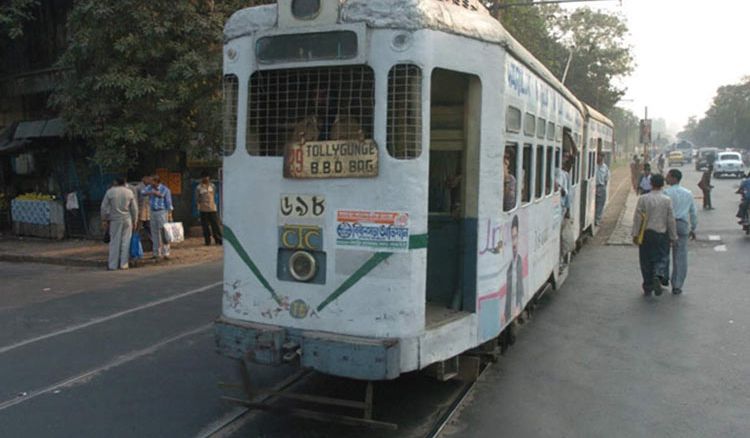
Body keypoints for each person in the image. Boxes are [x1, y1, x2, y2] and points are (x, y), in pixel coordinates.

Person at [632, 174, 677, 296]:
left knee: (645, 260)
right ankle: (658, 274)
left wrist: (635, 234)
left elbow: (637, 218)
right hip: (661, 234)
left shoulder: (643, 199)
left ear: (651, 184)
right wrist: (673, 237)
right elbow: (670, 220)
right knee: (661, 257)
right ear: (663, 184)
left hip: (646, 234)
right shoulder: (667, 200)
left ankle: (648, 285)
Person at [664, 169, 698, 295]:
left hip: (668, 224)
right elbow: (693, 212)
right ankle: (677, 284)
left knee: (664, 252)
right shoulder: (688, 193)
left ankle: (663, 277)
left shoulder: (666, 193)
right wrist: (693, 228)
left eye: (668, 176)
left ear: (674, 178)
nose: (666, 178)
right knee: (680, 256)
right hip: (682, 225)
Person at [100, 177, 138, 270]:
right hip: (127, 219)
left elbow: (103, 207)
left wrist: (104, 219)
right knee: (126, 241)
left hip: (115, 220)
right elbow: (134, 208)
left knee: (114, 242)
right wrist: (135, 220)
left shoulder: (110, 192)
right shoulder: (129, 192)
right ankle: (124, 264)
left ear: (115, 182)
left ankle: (113, 265)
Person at [142, 175, 173, 260]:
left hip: (162, 212)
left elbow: (168, 202)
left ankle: (166, 253)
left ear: (156, 182)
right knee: (154, 232)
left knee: (164, 232)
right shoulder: (149, 188)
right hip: (152, 211)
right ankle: (156, 253)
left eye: (152, 181)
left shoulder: (165, 189)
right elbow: (143, 192)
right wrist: (152, 192)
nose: (150, 183)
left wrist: (170, 215)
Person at [504, 215, 524, 324]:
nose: (514, 243)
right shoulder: (509, 266)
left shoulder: (519, 261)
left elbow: (520, 291)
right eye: (512, 237)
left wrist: (518, 307)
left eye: (515, 237)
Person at [196, 171, 222, 246]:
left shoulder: (212, 186)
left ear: (209, 177)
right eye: (204, 177)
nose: (206, 178)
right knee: (205, 226)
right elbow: (197, 199)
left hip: (212, 208)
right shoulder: (199, 187)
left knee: (215, 225)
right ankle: (207, 241)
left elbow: (214, 194)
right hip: (203, 209)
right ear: (202, 178)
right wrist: (198, 208)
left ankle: (218, 240)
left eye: (207, 177)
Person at [594, 154, 610, 226]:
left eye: (601, 156)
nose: (599, 157)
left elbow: (606, 178)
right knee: (594, 203)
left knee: (600, 204)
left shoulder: (605, 167)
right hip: (594, 186)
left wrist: (604, 186)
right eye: (599, 156)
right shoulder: (594, 165)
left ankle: (597, 219)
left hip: (601, 186)